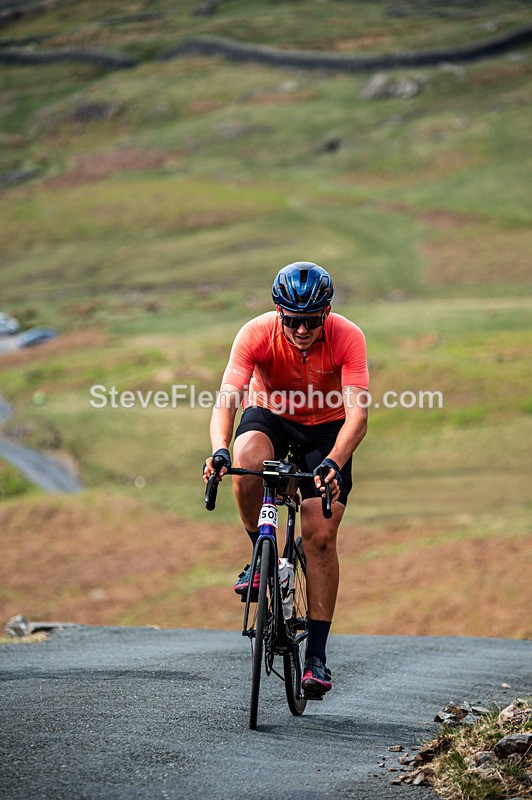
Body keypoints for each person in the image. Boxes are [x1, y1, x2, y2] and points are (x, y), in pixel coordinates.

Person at [203, 262, 368, 699]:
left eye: (311, 320)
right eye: (291, 320)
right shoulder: (255, 333)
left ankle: (316, 656)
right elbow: (228, 399)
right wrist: (219, 447)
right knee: (245, 459)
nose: (300, 329)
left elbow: (358, 415)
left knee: (319, 536)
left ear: (325, 312)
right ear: (279, 313)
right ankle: (261, 558)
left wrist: (333, 460)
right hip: (271, 417)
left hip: (327, 427)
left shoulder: (348, 336)